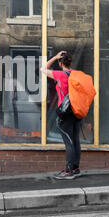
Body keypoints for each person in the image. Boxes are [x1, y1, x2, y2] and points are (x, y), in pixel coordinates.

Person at [41, 51, 82, 180]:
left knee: (68, 142)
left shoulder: (59, 74)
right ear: (70, 62)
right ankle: (75, 168)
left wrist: (54, 57)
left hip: (65, 112)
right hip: (77, 111)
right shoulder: (76, 75)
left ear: (60, 63)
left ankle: (68, 170)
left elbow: (43, 69)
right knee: (75, 140)